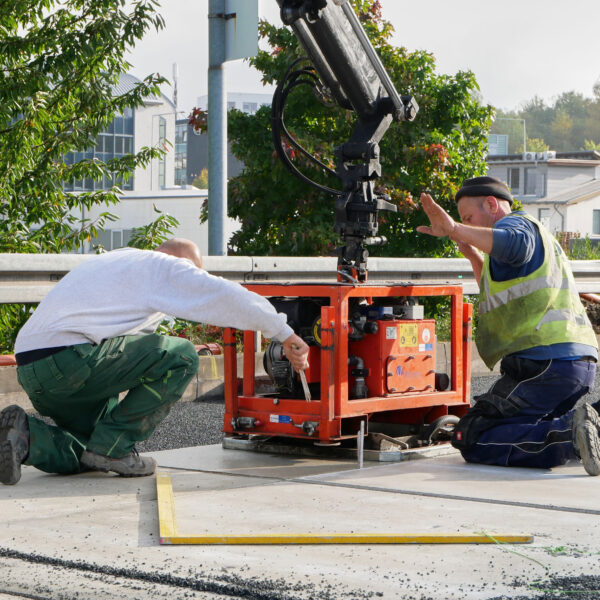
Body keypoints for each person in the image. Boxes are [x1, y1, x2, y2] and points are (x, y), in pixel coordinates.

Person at [0, 239, 309, 485]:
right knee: (183, 356)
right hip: (71, 359)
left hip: (33, 369)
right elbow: (222, 294)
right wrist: (283, 332)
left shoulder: (116, 262)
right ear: (179, 261)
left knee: (92, 449)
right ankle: (115, 448)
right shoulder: (162, 266)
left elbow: (122, 346)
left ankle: (25, 436)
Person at [417, 176, 600, 476]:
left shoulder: (515, 227)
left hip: (544, 362)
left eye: (469, 217)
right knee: (530, 426)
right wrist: (473, 256)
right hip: (575, 361)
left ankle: (570, 436)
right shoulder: (533, 236)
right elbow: (498, 289)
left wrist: (453, 227)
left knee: (471, 435)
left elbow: (516, 244)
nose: (466, 224)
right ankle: (587, 425)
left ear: (491, 204)